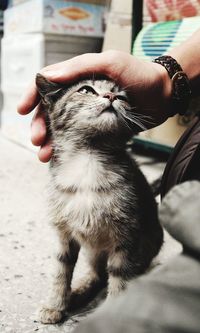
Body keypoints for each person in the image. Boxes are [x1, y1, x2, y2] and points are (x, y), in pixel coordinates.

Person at [18, 30, 200, 332]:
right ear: (53, 108)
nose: (110, 96)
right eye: (88, 91)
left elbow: (125, 250)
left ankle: (112, 299)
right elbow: (65, 250)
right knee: (67, 248)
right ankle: (85, 284)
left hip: (140, 249)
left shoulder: (123, 183)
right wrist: (56, 297)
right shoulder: (57, 184)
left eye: (121, 95)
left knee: (125, 254)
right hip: (92, 239)